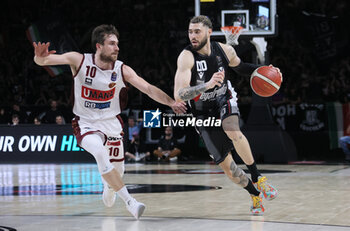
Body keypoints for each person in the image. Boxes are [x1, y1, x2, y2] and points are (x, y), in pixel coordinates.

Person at [33, 24, 186, 219]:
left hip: (112, 124)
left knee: (118, 170)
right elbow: (43, 60)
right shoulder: (79, 60)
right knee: (98, 151)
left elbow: (148, 88)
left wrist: (171, 102)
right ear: (98, 46)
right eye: (112, 44)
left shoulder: (122, 70)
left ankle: (109, 186)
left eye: (117, 44)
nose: (117, 48)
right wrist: (39, 56)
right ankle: (131, 202)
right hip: (85, 123)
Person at [174, 16, 278, 215]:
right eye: (190, 31)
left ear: (209, 32)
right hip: (201, 113)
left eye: (197, 31)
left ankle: (258, 177)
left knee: (232, 129)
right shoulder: (186, 57)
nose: (192, 36)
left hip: (224, 98)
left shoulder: (225, 50)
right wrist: (206, 85)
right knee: (230, 171)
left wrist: (267, 71)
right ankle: (255, 194)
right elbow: (179, 94)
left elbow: (242, 68)